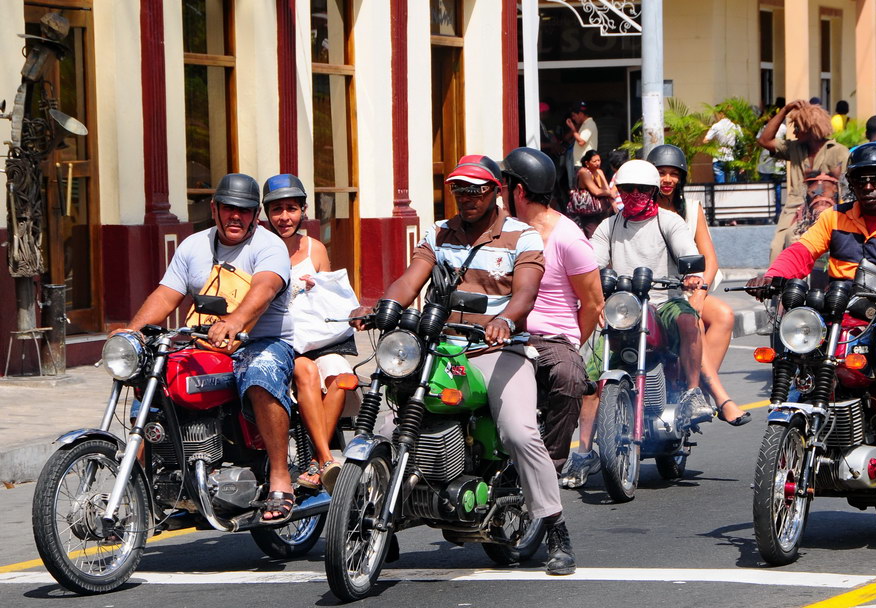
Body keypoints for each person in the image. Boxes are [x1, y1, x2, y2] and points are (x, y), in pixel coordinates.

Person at [349, 154, 576, 576]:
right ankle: (379, 516)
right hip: (439, 346)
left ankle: (555, 527)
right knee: (387, 421)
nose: (466, 198)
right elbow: (412, 276)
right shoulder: (439, 233)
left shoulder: (522, 236)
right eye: (459, 189)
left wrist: (506, 320)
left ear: (495, 192)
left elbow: (526, 292)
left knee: (519, 432)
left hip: (498, 349)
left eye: (476, 189)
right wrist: (382, 306)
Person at [746, 143, 876, 483]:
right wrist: (773, 276)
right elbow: (801, 252)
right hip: (839, 314)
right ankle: (793, 417)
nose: (868, 186)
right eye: (860, 179)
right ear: (851, 183)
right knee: (796, 331)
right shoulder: (834, 217)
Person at [117, 174, 296, 523]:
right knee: (155, 381)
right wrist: (131, 333)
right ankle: (135, 496)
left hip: (263, 341)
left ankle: (280, 476)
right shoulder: (193, 246)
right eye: (228, 208)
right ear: (214, 208)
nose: (236, 217)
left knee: (260, 374)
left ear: (254, 214)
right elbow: (167, 294)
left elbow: (265, 287)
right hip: (206, 342)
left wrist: (236, 321)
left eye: (244, 211)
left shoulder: (268, 246)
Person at [563, 159, 717, 487]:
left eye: (640, 190)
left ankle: (692, 393)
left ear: (651, 192)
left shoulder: (669, 222)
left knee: (690, 320)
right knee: (591, 374)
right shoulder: (609, 226)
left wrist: (691, 277)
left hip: (663, 303)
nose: (633, 195)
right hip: (624, 307)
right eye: (626, 190)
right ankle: (584, 452)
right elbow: (590, 263)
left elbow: (688, 252)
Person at [502, 147, 604, 474]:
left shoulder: (568, 239)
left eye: (503, 185)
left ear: (518, 190)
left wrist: (570, 344)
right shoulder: (500, 230)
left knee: (569, 375)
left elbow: (593, 303)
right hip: (501, 334)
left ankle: (550, 464)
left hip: (550, 340)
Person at [646, 143, 750, 425]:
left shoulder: (691, 209)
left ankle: (697, 395)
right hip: (656, 293)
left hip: (690, 289)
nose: (667, 180)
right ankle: (717, 394)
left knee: (724, 315)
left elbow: (709, 259)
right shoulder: (642, 209)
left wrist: (700, 293)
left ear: (681, 178)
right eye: (661, 173)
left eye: (673, 174)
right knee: (692, 321)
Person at [263, 173, 353, 491]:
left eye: (291, 208)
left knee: (343, 377)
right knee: (306, 371)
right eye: (276, 209)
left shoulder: (315, 249)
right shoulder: (259, 249)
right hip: (280, 343)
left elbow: (329, 300)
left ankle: (315, 461)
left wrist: (320, 288)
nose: (284, 217)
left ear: (303, 211)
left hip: (316, 339)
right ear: (266, 213)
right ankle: (327, 459)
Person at [758, 99, 850, 260]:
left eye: (798, 128)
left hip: (827, 210)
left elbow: (846, 187)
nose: (794, 133)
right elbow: (764, 140)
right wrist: (785, 110)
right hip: (794, 208)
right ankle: (780, 284)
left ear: (810, 128)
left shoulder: (838, 151)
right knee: (777, 248)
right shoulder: (793, 148)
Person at [570, 149, 613, 237]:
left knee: (604, 234)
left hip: (602, 209)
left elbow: (606, 188)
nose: (598, 163)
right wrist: (609, 193)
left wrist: (608, 193)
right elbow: (596, 191)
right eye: (594, 161)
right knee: (592, 236)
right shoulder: (584, 172)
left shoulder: (600, 172)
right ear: (587, 163)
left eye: (599, 160)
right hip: (589, 211)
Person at [704, 107, 741, 183]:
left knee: (719, 188)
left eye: (715, 115)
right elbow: (742, 140)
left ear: (721, 114)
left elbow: (705, 140)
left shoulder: (716, 126)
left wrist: (714, 144)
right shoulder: (735, 126)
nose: (715, 117)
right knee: (733, 186)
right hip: (731, 157)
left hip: (718, 157)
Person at [566, 101, 598, 189]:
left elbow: (581, 142)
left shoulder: (589, 124)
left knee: (581, 191)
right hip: (581, 164)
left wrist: (573, 129)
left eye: (574, 116)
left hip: (583, 165)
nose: (573, 118)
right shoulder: (585, 124)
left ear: (580, 114)